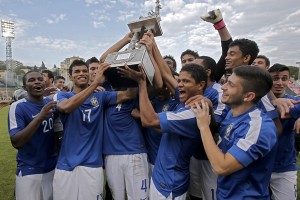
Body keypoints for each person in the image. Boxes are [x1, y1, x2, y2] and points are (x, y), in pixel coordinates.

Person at [53, 60, 135, 200]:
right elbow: (66, 107)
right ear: (71, 76)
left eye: (84, 70)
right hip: (66, 165)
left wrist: (132, 73)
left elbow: (129, 95)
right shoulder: (63, 95)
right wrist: (95, 84)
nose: (82, 73)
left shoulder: (100, 96)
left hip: (92, 165)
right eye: (77, 72)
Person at [192, 65, 277, 199]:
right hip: (225, 194)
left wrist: (203, 126)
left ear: (248, 96)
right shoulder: (232, 113)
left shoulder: (258, 128)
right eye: (226, 81)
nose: (223, 87)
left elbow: (221, 167)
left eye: (230, 84)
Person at [8, 71, 57, 200]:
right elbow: (16, 142)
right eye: (31, 80)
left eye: (40, 79)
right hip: (29, 170)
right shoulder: (17, 107)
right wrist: (39, 117)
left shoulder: (50, 103)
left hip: (52, 168)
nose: (37, 81)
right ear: (24, 87)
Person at [268, 64, 299, 200]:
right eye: (275, 78)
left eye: (284, 78)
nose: (280, 83)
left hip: (284, 167)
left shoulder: (296, 101)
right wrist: (274, 102)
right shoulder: (257, 102)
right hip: (257, 166)